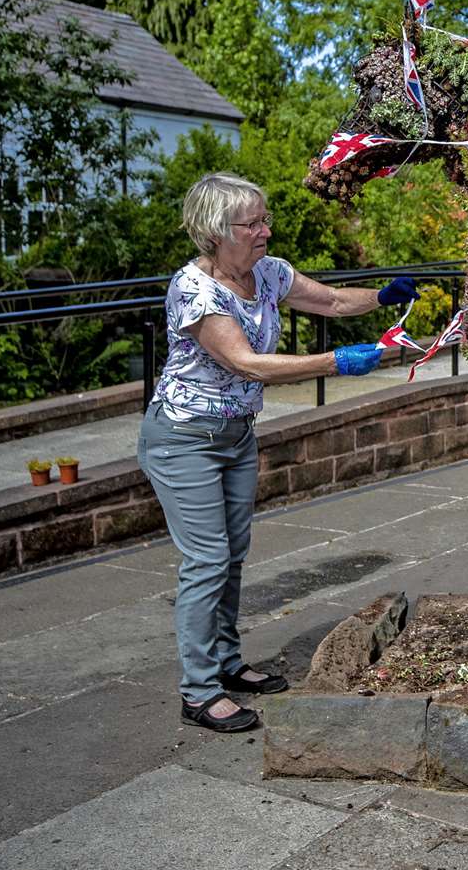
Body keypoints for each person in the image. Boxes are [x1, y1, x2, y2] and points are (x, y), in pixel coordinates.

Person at [138, 172, 418, 733]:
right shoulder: (194, 291)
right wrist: (333, 364)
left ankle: (225, 662)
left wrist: (382, 298)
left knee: (232, 553)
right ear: (217, 232)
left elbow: (335, 301)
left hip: (236, 435)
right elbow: (245, 361)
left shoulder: (266, 274)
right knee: (207, 560)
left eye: (266, 219)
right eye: (254, 223)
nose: (266, 231)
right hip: (183, 439)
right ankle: (198, 691)